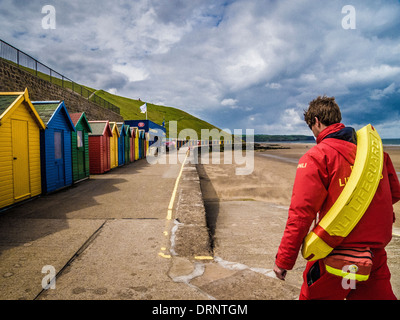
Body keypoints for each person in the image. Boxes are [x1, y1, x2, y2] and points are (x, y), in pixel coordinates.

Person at [273, 95, 400, 300]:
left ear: (316, 121)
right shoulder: (377, 156)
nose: (313, 134)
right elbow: (393, 193)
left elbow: (301, 214)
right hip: (374, 257)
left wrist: (284, 260)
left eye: (311, 128)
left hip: (335, 258)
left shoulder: (317, 156)